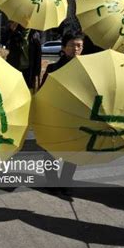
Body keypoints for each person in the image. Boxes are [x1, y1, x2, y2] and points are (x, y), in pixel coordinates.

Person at [40, 31, 85, 191]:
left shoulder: (86, 70)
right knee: (50, 150)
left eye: (79, 46)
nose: (76, 49)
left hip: (77, 117)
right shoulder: (53, 68)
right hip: (55, 116)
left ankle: (66, 182)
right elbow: (43, 93)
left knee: (73, 152)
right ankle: (52, 182)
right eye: (72, 45)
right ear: (64, 48)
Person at [6, 21, 42, 90]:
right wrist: (11, 31)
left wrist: (37, 72)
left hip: (29, 70)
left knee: (27, 90)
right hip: (15, 67)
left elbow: (38, 55)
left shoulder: (35, 34)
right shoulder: (14, 30)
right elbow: (4, 42)